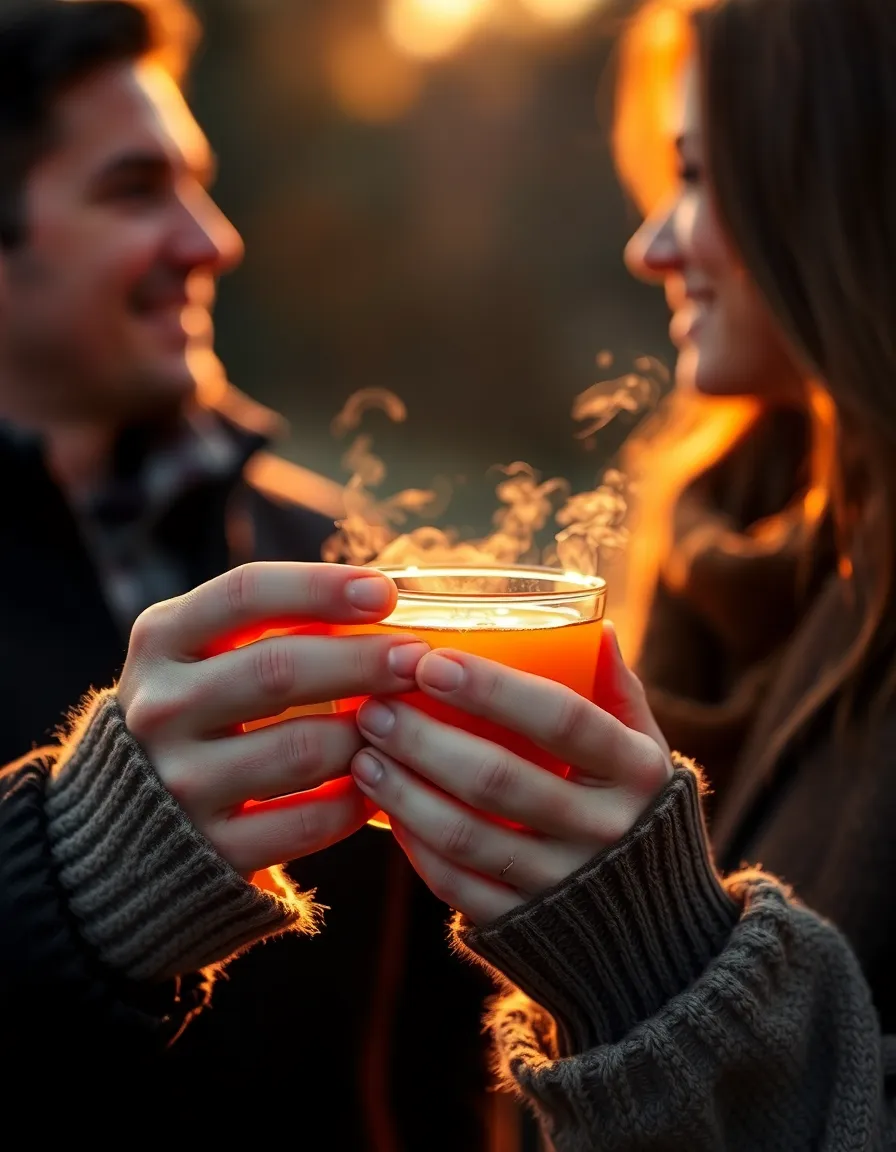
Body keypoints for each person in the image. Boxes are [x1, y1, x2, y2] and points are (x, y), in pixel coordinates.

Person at [344, 0, 896, 1146]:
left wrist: (653, 963)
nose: (650, 243)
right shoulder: (735, 559)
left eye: (699, 177)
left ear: (841, 183)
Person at [0, 1, 489, 1144]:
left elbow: (441, 1049)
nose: (210, 239)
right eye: (134, 189)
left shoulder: (328, 561)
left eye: (199, 183)